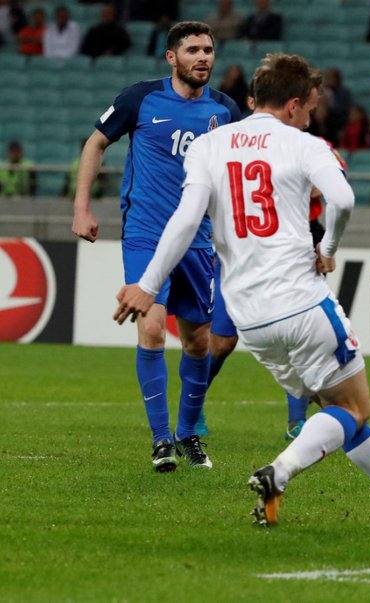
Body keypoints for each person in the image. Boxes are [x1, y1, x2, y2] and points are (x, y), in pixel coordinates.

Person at [113, 52, 370, 527]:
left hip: (249, 319)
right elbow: (342, 198)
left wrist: (147, 285)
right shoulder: (304, 144)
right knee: (354, 409)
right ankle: (280, 471)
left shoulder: (210, 145)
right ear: (295, 104)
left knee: (336, 411)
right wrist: (329, 247)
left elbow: (186, 220)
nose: (311, 115)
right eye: (312, 107)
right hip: (301, 301)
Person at [71, 21, 241, 472]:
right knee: (150, 328)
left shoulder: (226, 111)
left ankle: (188, 434)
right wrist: (81, 207)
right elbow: (95, 144)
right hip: (146, 233)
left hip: (198, 241)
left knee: (199, 342)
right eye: (193, 50)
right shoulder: (140, 98)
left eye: (208, 50)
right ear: (172, 57)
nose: (203, 57)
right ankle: (161, 440)